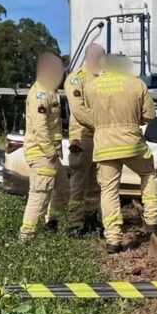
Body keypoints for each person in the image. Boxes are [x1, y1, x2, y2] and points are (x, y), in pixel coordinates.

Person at [84, 53, 157, 253]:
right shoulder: (136, 84)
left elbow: (86, 114)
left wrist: (102, 126)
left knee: (108, 190)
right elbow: (150, 115)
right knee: (148, 173)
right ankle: (152, 218)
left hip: (104, 144)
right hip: (131, 142)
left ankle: (113, 240)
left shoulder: (91, 86)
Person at [19, 51, 69, 239]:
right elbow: (40, 127)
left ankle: (51, 223)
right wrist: (49, 151)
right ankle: (26, 236)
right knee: (39, 195)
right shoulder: (40, 92)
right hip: (42, 153)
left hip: (51, 154)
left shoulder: (51, 90)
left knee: (63, 190)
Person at [64, 43, 104, 236]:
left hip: (99, 139)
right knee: (78, 184)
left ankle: (91, 219)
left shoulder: (102, 78)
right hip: (82, 138)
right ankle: (75, 224)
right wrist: (101, 126)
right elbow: (78, 110)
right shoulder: (75, 79)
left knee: (95, 184)